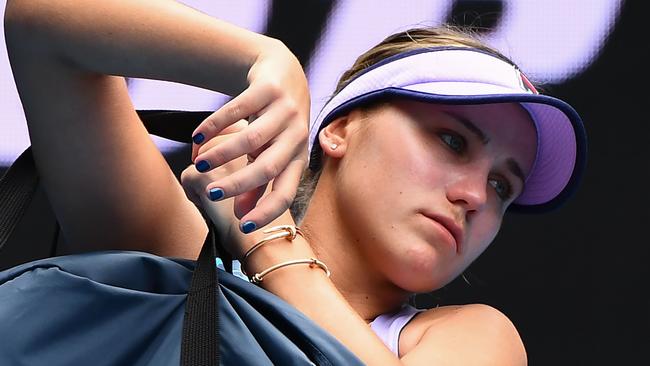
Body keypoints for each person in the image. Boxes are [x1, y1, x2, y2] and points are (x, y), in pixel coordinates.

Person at [4, 0, 586, 364]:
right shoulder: (184, 257)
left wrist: (270, 243)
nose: (476, 196)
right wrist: (260, 59)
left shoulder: (479, 339)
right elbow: (39, 24)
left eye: (504, 187)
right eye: (452, 141)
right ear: (338, 130)